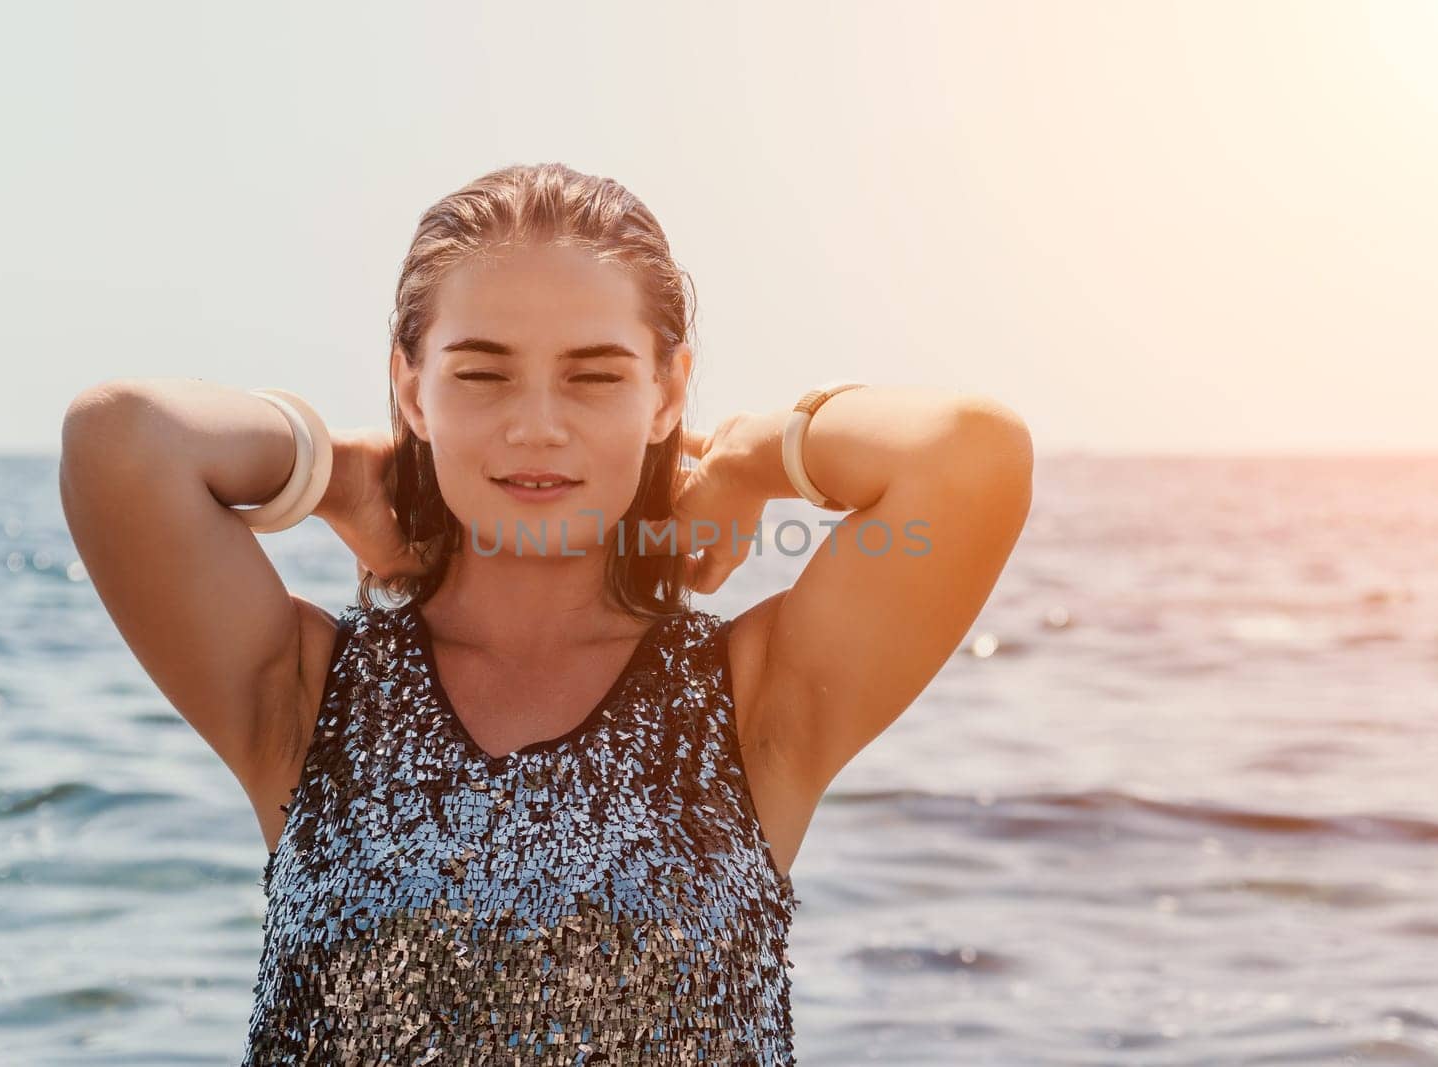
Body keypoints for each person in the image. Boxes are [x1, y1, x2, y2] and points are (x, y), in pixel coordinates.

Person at [58, 162, 1034, 1065]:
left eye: (595, 373)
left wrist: (750, 460)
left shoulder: (749, 704)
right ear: (412, 385)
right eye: (480, 373)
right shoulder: (311, 695)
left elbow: (966, 455)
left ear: (668, 391)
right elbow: (123, 438)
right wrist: (334, 471)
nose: (536, 424)